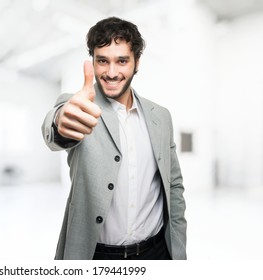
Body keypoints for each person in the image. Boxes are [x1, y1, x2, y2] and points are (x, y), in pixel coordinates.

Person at [41, 16, 187, 260]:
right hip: (97, 255)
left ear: (136, 63)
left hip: (157, 252)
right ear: (93, 62)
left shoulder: (161, 117)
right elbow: (57, 126)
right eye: (102, 61)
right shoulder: (81, 106)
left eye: (121, 61)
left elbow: (173, 186)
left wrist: (179, 248)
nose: (111, 72)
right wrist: (60, 123)